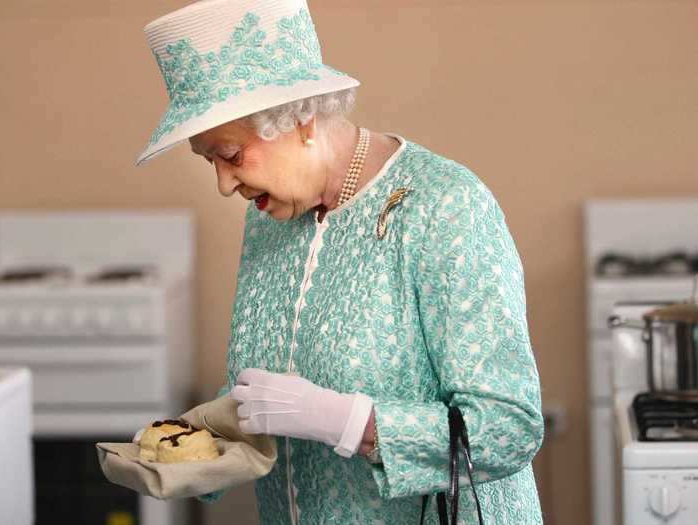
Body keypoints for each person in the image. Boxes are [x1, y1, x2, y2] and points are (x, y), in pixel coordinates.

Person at [136, 0, 545, 523]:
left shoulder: (444, 205)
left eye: (232, 155)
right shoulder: (267, 220)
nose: (222, 184)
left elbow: (507, 428)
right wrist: (195, 435)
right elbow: (275, 396)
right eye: (208, 160)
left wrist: (348, 421)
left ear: (303, 118)